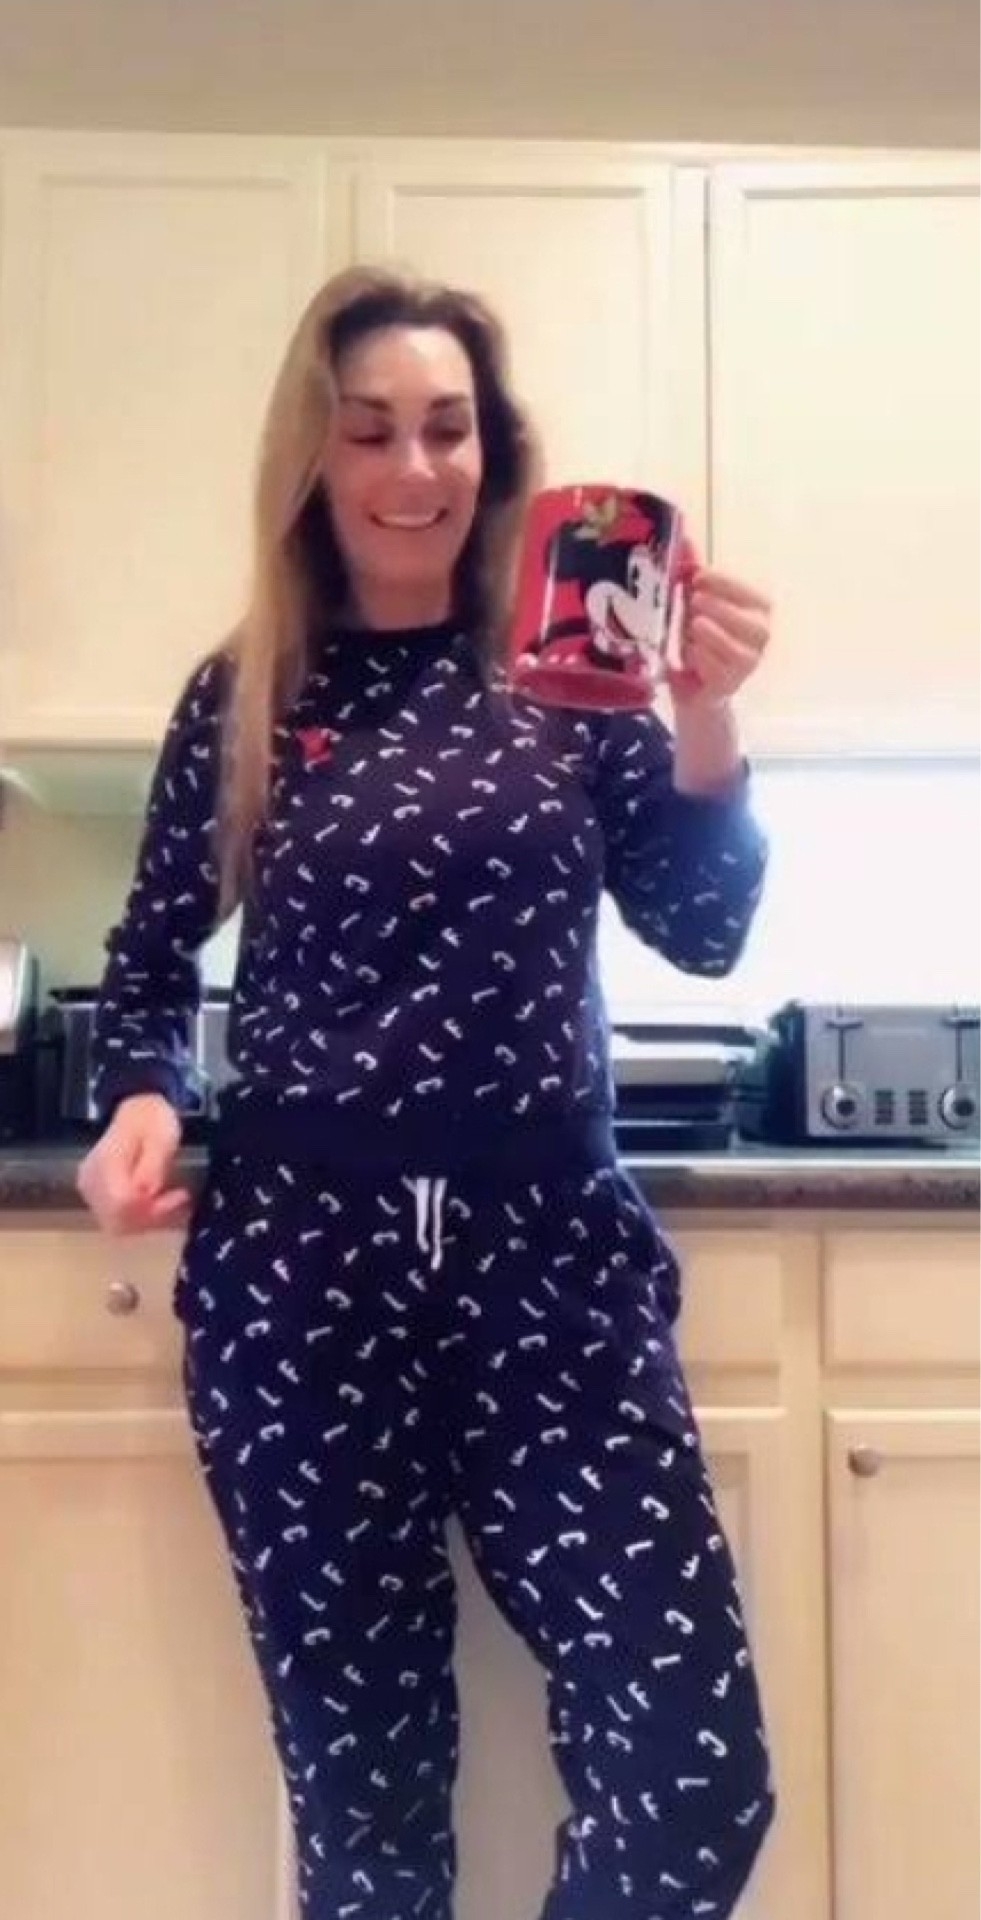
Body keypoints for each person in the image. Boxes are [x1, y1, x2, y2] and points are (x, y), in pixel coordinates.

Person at [77, 265, 776, 1920]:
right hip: (301, 1277)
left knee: (691, 1781)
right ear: (311, 459)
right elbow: (151, 960)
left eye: (447, 428)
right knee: (367, 1821)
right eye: (369, 429)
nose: (414, 468)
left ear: (494, 447)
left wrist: (706, 717)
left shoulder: (573, 668)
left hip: (551, 1264)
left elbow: (703, 928)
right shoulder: (249, 688)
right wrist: (141, 1099)